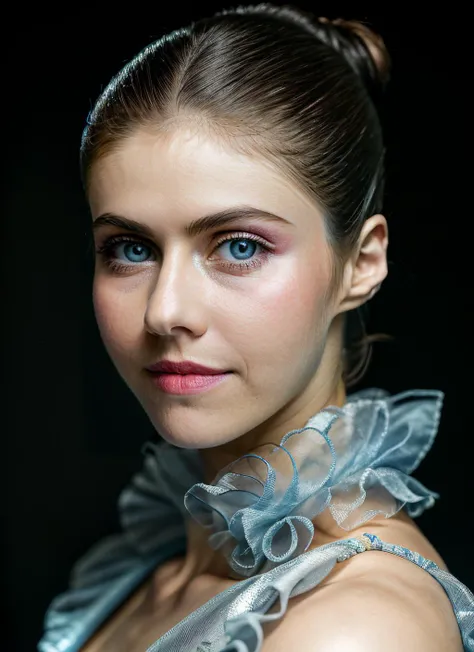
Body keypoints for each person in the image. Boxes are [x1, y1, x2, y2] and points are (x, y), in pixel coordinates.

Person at [38, 4, 474, 651]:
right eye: (131, 248)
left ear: (361, 262)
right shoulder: (142, 574)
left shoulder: (360, 627)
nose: (166, 311)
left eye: (239, 246)